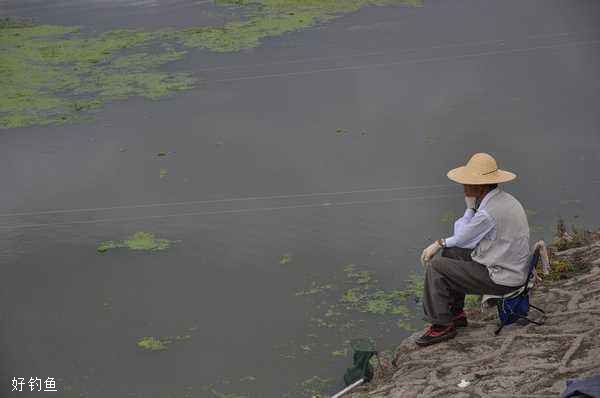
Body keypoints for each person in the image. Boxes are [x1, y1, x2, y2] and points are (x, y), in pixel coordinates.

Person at [416, 152, 530, 347]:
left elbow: (461, 237)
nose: (464, 186)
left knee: (436, 267)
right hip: (511, 267)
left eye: (467, 182)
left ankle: (441, 325)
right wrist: (470, 208)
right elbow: (462, 241)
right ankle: (455, 314)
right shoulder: (503, 200)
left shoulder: (488, 212)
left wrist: (438, 243)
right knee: (453, 253)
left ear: (481, 185)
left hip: (503, 277)